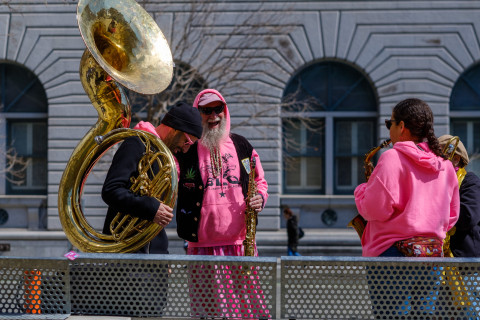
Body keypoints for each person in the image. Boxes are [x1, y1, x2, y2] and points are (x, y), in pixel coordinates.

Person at [354, 98, 460, 317]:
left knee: (392, 316)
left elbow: (373, 210)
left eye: (389, 123)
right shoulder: (446, 166)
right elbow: (452, 216)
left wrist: (361, 190)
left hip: (392, 254)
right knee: (424, 315)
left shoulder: (391, 158)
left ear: (401, 126)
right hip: (432, 253)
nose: (389, 129)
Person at [175, 89, 269, 319]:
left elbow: (260, 180)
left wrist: (261, 198)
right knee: (207, 312)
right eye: (207, 110)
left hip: (240, 244)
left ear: (225, 112)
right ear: (198, 114)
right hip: (201, 246)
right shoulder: (187, 149)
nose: (213, 115)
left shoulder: (241, 145)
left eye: (218, 109)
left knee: (246, 310)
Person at [101, 101, 203, 254]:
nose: (185, 148)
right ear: (175, 129)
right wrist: (151, 207)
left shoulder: (168, 159)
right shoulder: (136, 143)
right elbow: (111, 190)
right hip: (127, 254)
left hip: (154, 255)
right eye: (187, 141)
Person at [438, 135, 480, 257]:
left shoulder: (470, 181)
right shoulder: (435, 182)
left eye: (440, 156)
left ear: (456, 159)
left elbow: (469, 217)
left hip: (465, 264)